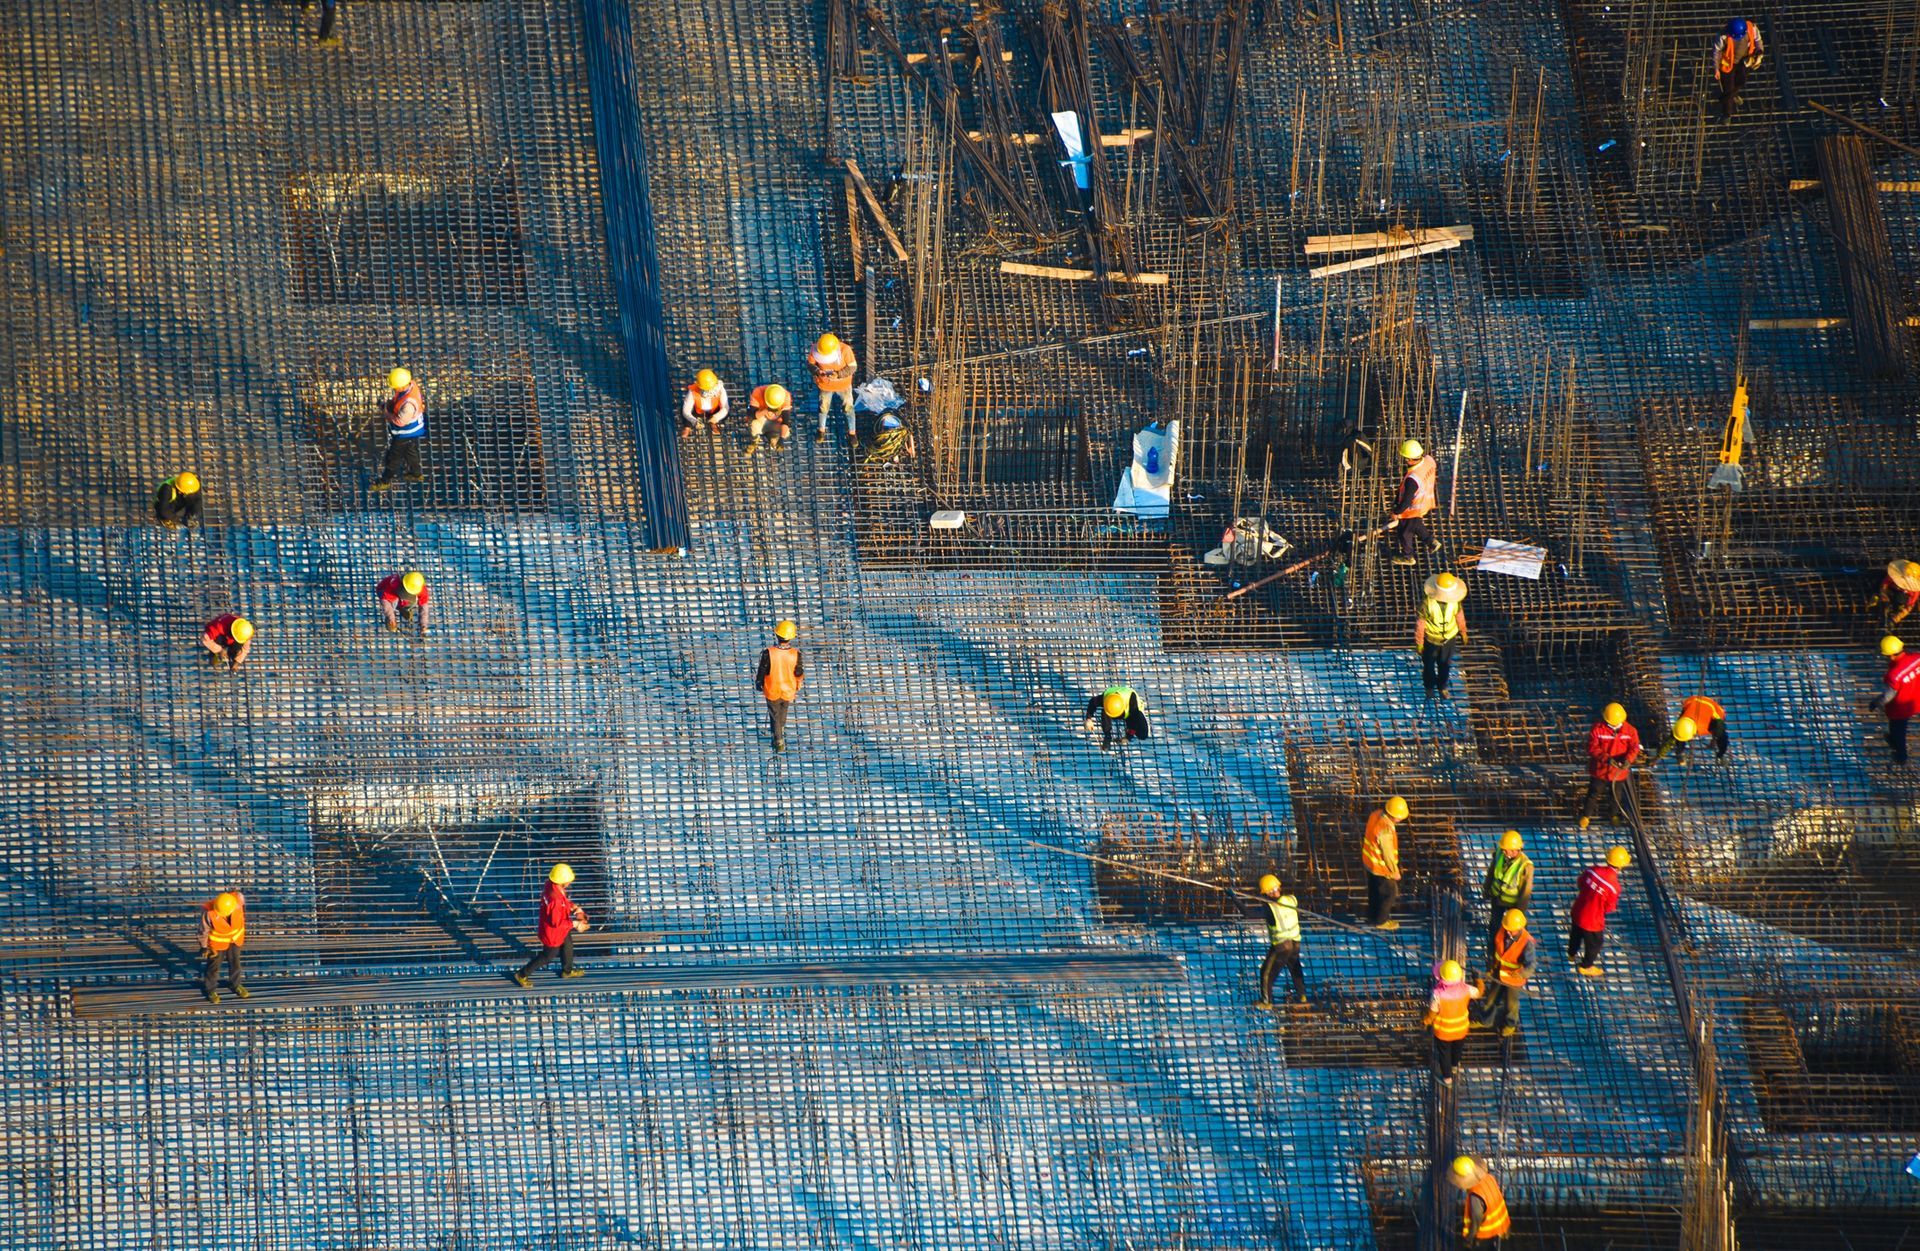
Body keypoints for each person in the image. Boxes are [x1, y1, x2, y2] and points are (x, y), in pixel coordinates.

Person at [513, 864, 587, 986]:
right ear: (561, 881)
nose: (569, 883)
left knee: (567, 944)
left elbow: (563, 902)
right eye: (568, 881)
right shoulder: (555, 899)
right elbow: (556, 923)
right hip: (553, 933)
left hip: (558, 928)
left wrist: (575, 908)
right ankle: (521, 974)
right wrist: (576, 924)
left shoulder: (551, 885)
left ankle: (567, 971)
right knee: (547, 956)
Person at [1569, 846, 1628, 976]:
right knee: (1595, 944)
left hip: (1578, 910)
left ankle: (1571, 953)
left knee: (1575, 934)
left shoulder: (1593, 870)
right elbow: (1609, 907)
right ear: (1620, 866)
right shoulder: (1614, 887)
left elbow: (1580, 882)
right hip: (1592, 921)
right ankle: (1586, 966)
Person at [1580, 703, 1640, 829]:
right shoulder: (1598, 729)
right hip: (1600, 770)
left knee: (1616, 795)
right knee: (1594, 793)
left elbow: (1634, 747)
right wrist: (1606, 758)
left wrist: (1628, 760)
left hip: (1618, 772)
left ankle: (1614, 815)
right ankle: (1586, 815)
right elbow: (1592, 747)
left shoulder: (1630, 731)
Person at [1251, 874, 1305, 1008]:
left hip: (1282, 946)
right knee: (1294, 968)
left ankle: (1266, 1002)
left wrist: (1234, 899)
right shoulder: (1291, 899)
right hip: (1295, 942)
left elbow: (1248, 913)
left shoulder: (1270, 908)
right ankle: (1302, 995)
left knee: (1266, 973)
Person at [1478, 909, 1534, 1037]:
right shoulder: (1502, 931)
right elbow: (1495, 948)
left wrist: (1521, 974)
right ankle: (1486, 1020)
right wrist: (1492, 965)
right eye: (1507, 928)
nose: (1508, 931)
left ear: (1520, 927)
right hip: (1499, 971)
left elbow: (1531, 965)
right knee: (1492, 997)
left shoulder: (1527, 942)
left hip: (1514, 979)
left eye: (1511, 929)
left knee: (1511, 1003)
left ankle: (1510, 1025)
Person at [1425, 960, 1481, 1084]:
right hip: (1461, 1029)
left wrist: (1427, 1021)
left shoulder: (1437, 994)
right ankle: (1455, 1067)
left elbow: (1433, 1011)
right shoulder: (1466, 989)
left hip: (1444, 1031)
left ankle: (1447, 1079)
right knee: (1457, 1049)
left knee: (1444, 1055)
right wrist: (1478, 979)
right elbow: (1479, 993)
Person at [1385, 438, 1440, 567]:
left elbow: (1406, 502)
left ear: (1409, 459)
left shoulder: (1412, 479)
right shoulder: (1428, 460)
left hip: (1412, 507)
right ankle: (1431, 541)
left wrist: (1396, 512)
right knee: (1415, 524)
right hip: (1425, 500)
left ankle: (1408, 556)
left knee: (1405, 531)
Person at [371, 367, 426, 491]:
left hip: (405, 433)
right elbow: (398, 402)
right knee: (411, 452)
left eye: (394, 387)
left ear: (401, 386)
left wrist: (386, 413)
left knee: (393, 458)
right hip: (413, 431)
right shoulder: (410, 385)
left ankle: (385, 481)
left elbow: (400, 421)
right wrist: (388, 405)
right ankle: (416, 474)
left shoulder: (408, 404)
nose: (393, 389)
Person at [1414, 572, 1468, 698]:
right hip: (1431, 640)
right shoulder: (1427, 604)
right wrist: (1420, 642)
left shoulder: (1455, 602)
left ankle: (1442, 687)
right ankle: (1429, 687)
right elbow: (1420, 624)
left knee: (1445, 665)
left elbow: (1459, 616)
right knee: (1429, 666)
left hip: (1448, 639)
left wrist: (1463, 631)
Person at [1871, 635, 1920, 766]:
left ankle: (1900, 756)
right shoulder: (1917, 658)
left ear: (1891, 655)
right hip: (1916, 699)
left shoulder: (1894, 675)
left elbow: (1888, 696)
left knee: (1898, 731)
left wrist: (1876, 702)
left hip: (1901, 708)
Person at [756, 619, 805, 752]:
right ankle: (780, 731)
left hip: (773, 688)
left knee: (774, 715)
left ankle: (778, 740)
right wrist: (799, 682)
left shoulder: (769, 653)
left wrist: (759, 682)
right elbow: (799, 671)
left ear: (777, 635)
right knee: (783, 713)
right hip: (788, 689)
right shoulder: (795, 654)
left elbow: (762, 669)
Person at [1482, 830, 1533, 957]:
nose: (1504, 852)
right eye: (1504, 849)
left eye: (1507, 850)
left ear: (1517, 850)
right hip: (1497, 898)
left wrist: (1520, 913)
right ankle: (1493, 950)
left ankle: (1520, 951)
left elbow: (1525, 892)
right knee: (1494, 926)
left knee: (1517, 928)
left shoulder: (1525, 866)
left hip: (1513, 903)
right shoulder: (1500, 853)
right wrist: (1486, 888)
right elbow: (1491, 871)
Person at [1362, 796, 1408, 930]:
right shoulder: (1386, 830)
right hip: (1380, 868)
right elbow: (1387, 854)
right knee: (1389, 893)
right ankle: (1381, 921)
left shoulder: (1376, 814)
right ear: (1394, 815)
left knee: (1374, 892)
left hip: (1369, 862)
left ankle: (1372, 917)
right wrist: (1394, 871)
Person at [1649, 695, 1729, 767]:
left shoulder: (1713, 722)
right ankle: (1680, 752)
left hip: (1711, 708)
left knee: (1721, 736)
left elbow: (1721, 735)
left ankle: (1721, 756)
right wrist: (1657, 757)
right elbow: (1670, 740)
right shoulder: (1682, 724)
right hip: (1692, 702)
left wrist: (1717, 747)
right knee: (1679, 736)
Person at [199, 890, 249, 1003]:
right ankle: (210, 990)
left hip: (235, 939)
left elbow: (241, 917)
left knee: (235, 963)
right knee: (213, 966)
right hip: (217, 943)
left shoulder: (238, 901)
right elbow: (203, 930)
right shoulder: (209, 911)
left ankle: (236, 985)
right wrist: (204, 946)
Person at [807, 333, 858, 444]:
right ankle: (821, 430)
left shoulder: (845, 350)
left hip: (843, 385)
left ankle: (852, 433)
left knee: (848, 408)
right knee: (823, 408)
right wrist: (817, 371)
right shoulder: (816, 349)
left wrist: (838, 374)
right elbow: (810, 364)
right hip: (825, 385)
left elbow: (853, 367)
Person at [1449, 1156, 1511, 1243]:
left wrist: (1469, 1238)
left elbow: (1477, 1220)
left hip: (1486, 1235)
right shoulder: (1488, 1178)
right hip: (1502, 1225)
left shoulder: (1475, 1196)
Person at [1713, 18, 1764, 120]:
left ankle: (1733, 94)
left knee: (1741, 81)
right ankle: (1727, 114)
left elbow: (1758, 41)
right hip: (1728, 65)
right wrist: (1716, 68)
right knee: (1728, 88)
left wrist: (1759, 53)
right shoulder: (1723, 36)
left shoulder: (1751, 28)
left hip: (1745, 62)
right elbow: (1717, 52)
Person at [1083, 686, 1150, 750]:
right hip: (1113, 701)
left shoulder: (1133, 707)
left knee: (1142, 734)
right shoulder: (1106, 700)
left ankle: (1127, 734)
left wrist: (1129, 736)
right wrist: (1088, 719)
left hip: (1130, 709)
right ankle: (1107, 736)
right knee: (1105, 711)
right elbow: (1092, 702)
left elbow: (1135, 723)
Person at [1867, 560, 1920, 627]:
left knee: (1900, 599)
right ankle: (1876, 597)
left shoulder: (1914, 592)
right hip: (1890, 591)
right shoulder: (1895, 575)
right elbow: (1884, 584)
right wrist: (1884, 595)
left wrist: (1894, 619)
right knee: (1877, 580)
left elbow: (1908, 607)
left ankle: (1892, 609)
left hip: (1899, 598)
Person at [377, 570, 431, 638]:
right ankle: (391, 619)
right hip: (383, 591)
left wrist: (424, 625)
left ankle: (403, 607)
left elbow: (424, 607)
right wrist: (391, 618)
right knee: (393, 604)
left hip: (400, 595)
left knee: (412, 601)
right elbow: (385, 601)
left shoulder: (420, 588)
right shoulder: (394, 584)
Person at [680, 369, 729, 439]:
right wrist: (694, 421)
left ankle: (713, 423)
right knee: (683, 409)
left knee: (726, 413)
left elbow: (725, 408)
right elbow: (686, 410)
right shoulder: (693, 391)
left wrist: (716, 417)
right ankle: (687, 427)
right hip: (698, 412)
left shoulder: (720, 389)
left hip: (714, 411)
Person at [747, 383, 794, 454]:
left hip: (776, 422)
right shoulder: (758, 392)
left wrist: (781, 438)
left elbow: (785, 421)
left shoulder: (785, 396)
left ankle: (773, 437)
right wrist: (767, 410)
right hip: (761, 419)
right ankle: (754, 440)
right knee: (753, 425)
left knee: (786, 432)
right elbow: (752, 415)